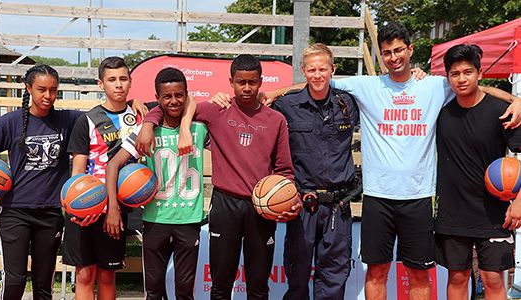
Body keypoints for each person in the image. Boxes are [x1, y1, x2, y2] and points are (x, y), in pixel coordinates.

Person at [211, 23, 521, 300]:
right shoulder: (365, 87)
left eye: (398, 50)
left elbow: (473, 88)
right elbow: (315, 84)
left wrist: (515, 99)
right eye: (386, 52)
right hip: (371, 198)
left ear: (410, 50)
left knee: (418, 275)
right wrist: (276, 91)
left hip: (416, 198)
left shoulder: (434, 86)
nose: (393, 57)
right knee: (371, 272)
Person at [140, 54, 300, 299]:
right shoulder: (217, 109)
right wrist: (150, 124)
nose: (246, 88)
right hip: (225, 205)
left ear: (261, 82)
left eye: (252, 82)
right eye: (240, 82)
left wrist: (290, 197)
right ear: (231, 82)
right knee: (220, 284)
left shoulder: (276, 120)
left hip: (262, 207)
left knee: (258, 285)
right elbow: (180, 104)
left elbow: (284, 170)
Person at [105, 67, 208, 300]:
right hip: (155, 218)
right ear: (157, 98)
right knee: (153, 290)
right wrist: (113, 206)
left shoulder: (200, 128)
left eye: (179, 95)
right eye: (167, 96)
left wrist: (185, 124)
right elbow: (113, 165)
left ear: (186, 94)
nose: (173, 101)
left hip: (188, 219)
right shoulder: (145, 132)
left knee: (184, 290)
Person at [272, 43, 359, 299]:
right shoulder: (287, 106)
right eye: (312, 70)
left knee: (334, 276)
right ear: (303, 71)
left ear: (332, 69)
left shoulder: (348, 104)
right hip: (302, 204)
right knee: (297, 275)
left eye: (322, 69)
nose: (317, 75)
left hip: (337, 206)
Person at [0, 65, 81, 299]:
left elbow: (104, 114)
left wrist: (138, 108)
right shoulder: (10, 122)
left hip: (50, 212)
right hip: (14, 211)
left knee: (43, 284)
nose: (48, 96)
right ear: (28, 88)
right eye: (41, 89)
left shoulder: (67, 120)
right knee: (15, 280)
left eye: (53, 90)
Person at [435, 44, 521, 299]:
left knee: (493, 279)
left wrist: (519, 201)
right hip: (453, 210)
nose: (461, 78)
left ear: (480, 74)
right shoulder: (440, 112)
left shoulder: (501, 112)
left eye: (468, 72)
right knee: (458, 277)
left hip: (495, 212)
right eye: (455, 73)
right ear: (448, 76)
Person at [62, 56, 146, 300]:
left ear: (131, 82)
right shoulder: (86, 120)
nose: (118, 84)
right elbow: (77, 171)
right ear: (101, 85)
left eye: (123, 79)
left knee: (108, 275)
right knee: (85, 274)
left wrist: (136, 103)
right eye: (111, 80)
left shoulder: (142, 117)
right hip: (87, 205)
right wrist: (76, 207)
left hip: (118, 208)